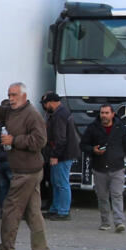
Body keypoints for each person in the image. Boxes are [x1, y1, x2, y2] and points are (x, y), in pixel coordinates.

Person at [0, 83, 51, 250]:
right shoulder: (12, 111)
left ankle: (6, 249)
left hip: (26, 172)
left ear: (24, 96)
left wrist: (15, 140)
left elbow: (40, 141)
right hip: (24, 170)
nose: (11, 98)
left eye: (14, 95)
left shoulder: (32, 115)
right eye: (9, 95)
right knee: (33, 213)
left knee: (10, 210)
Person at [81, 103, 126, 232]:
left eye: (106, 113)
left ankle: (119, 222)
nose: (104, 115)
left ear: (112, 114)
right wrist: (93, 149)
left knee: (117, 195)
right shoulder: (92, 128)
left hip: (117, 167)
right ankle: (105, 222)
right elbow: (83, 145)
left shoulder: (120, 128)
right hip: (99, 168)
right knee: (102, 196)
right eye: (102, 113)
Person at [40, 91, 80, 221]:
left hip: (62, 155)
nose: (45, 107)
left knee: (62, 183)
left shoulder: (60, 115)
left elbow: (61, 138)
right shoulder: (60, 113)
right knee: (56, 182)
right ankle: (55, 209)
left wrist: (55, 155)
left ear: (51, 103)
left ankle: (63, 211)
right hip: (61, 154)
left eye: (45, 104)